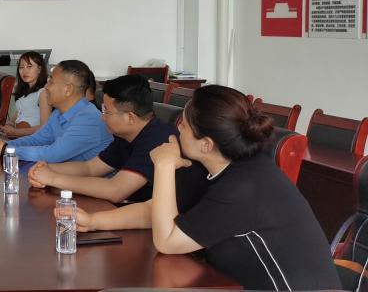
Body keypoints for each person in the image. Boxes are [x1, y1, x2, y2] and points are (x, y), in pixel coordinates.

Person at [68, 85, 341, 290]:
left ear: (206, 144)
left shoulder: (246, 185)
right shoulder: (206, 165)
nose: (177, 131)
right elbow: (155, 210)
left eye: (184, 126)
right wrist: (93, 221)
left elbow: (168, 241)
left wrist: (164, 167)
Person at [26, 74, 176, 203]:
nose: (102, 118)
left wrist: (53, 178)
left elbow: (116, 190)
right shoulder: (126, 135)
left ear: (130, 117)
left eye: (107, 112)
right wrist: (47, 168)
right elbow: (90, 168)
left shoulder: (158, 140)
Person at [0, 60, 111, 164]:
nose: (45, 87)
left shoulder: (88, 119)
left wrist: (5, 149)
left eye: (51, 82)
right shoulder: (58, 113)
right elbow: (37, 140)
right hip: (64, 177)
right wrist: (1, 145)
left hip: (92, 185)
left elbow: (53, 154)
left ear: (68, 89)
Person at [0, 52, 51, 138]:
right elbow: (19, 111)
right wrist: (10, 123)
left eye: (29, 66)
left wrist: (15, 132)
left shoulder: (43, 92)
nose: (24, 71)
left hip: (31, 139)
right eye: (21, 67)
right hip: (17, 134)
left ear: (39, 69)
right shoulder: (23, 91)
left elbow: (45, 127)